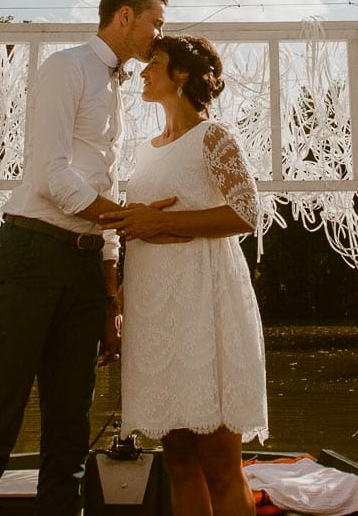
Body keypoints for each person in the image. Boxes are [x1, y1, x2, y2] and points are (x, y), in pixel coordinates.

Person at [0, 0, 171, 516]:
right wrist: (125, 217)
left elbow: (103, 185)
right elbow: (51, 175)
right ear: (125, 17)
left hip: (85, 266)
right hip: (33, 256)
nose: (160, 34)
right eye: (156, 22)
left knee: (70, 424)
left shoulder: (117, 87)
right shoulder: (66, 68)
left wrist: (109, 297)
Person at [100, 34, 268, 516]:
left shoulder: (214, 137)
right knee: (176, 459)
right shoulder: (148, 149)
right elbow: (143, 232)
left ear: (182, 75)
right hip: (155, 315)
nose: (143, 70)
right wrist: (120, 304)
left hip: (204, 308)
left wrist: (160, 222)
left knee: (218, 460)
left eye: (154, 62)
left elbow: (246, 213)